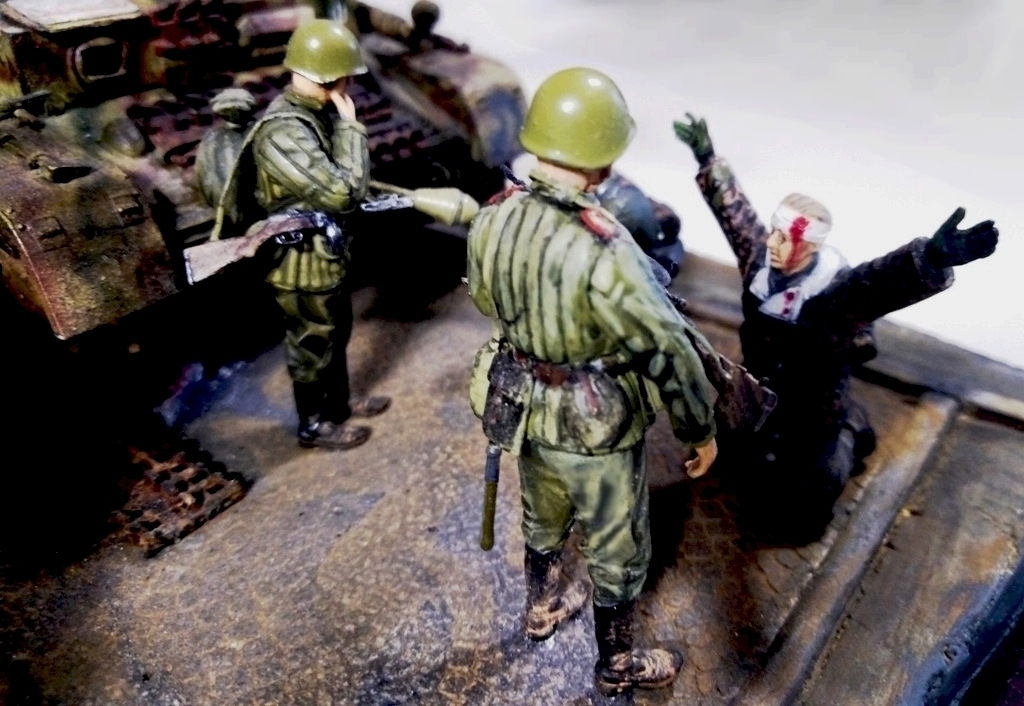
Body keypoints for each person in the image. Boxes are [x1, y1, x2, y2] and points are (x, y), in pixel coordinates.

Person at [467, 68, 720, 696]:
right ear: (603, 159)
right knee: (617, 546)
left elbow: (484, 300)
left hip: (521, 405)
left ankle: (541, 606)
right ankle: (616, 664)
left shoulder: (493, 215)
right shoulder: (606, 247)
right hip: (594, 422)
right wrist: (698, 427)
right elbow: (666, 347)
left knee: (542, 516)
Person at [673, 114, 999, 537]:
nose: (771, 243)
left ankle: (845, 441)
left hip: (812, 411)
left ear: (810, 247)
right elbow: (735, 216)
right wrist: (708, 159)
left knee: (808, 490)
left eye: (784, 238)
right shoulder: (760, 264)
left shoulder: (833, 293)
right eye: (773, 233)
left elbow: (879, 283)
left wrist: (932, 257)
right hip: (757, 393)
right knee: (732, 446)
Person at [247, 20, 392, 450]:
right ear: (334, 78)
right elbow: (343, 192)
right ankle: (313, 423)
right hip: (300, 262)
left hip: (324, 254)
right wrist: (351, 128)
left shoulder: (311, 116)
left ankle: (338, 405)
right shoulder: (283, 131)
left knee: (335, 332)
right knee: (312, 342)